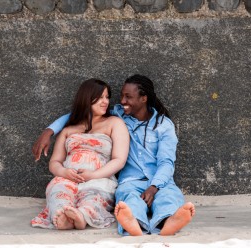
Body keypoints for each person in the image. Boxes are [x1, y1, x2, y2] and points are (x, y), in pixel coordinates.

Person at [33, 74, 195, 235]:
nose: (121, 101)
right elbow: (82, 113)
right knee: (129, 199)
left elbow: (166, 162)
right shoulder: (119, 114)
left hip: (160, 180)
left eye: (128, 97)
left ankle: (169, 221)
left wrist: (154, 187)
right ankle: (134, 224)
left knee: (169, 197)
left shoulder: (163, 125)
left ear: (143, 99)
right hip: (131, 180)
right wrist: (50, 130)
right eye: (121, 96)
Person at [31, 78, 129, 230]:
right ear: (86, 99)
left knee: (93, 199)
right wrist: (63, 172)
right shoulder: (69, 129)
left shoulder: (114, 123)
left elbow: (119, 160)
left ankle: (81, 217)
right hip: (68, 178)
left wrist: (93, 175)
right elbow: (55, 161)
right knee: (58, 192)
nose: (105, 102)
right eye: (100, 98)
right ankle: (63, 216)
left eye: (107, 97)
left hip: (99, 178)